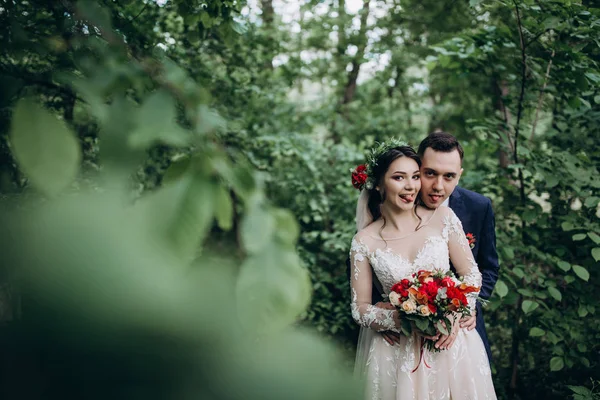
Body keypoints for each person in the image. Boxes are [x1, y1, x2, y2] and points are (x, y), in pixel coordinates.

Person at [349, 139, 496, 399]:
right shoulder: (364, 241)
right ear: (379, 184)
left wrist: (457, 310)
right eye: (399, 177)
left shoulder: (444, 218)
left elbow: (473, 274)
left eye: (415, 176)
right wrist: (392, 319)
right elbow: (360, 308)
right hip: (395, 349)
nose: (411, 185)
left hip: (450, 342)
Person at [378, 132, 499, 363]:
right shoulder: (390, 204)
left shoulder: (478, 207)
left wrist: (468, 306)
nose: (438, 186)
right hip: (399, 335)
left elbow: (489, 267)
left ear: (460, 175)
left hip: (463, 328)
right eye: (430, 173)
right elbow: (365, 261)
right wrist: (380, 315)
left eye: (449, 176)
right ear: (417, 168)